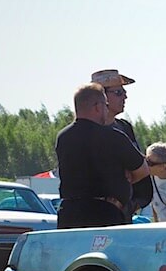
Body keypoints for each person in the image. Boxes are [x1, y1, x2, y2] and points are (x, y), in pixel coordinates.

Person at [55, 83, 149, 229]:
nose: (106, 110)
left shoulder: (63, 137)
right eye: (105, 105)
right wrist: (125, 182)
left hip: (69, 213)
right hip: (104, 212)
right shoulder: (114, 137)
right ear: (98, 107)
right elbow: (143, 170)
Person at [91, 68, 153, 220]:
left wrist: (129, 203)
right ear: (102, 96)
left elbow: (139, 169)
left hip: (123, 213)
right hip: (97, 214)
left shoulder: (124, 127)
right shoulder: (87, 132)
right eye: (118, 92)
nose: (125, 96)